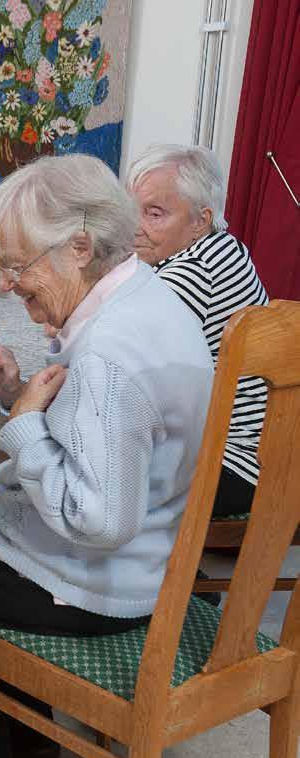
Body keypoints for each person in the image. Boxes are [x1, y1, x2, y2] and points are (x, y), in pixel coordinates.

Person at [0, 154, 213, 758]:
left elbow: (97, 519)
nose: (9, 283)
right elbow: (108, 441)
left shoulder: (105, 353)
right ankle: (30, 732)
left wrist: (20, 426)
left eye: (19, 266)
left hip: (99, 583)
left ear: (78, 247)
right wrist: (20, 391)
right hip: (153, 561)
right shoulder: (152, 299)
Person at [127, 144, 268, 515]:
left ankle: (159, 570)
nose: (133, 227)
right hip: (265, 454)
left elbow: (126, 374)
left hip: (231, 463)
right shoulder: (226, 247)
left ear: (200, 220)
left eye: (153, 214)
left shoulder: (188, 273)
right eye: (132, 211)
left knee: (92, 477)